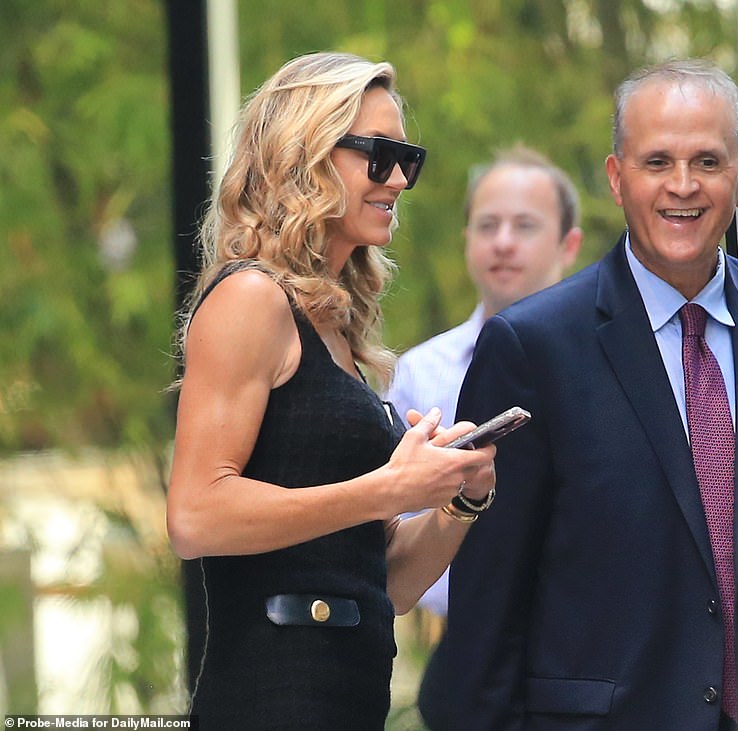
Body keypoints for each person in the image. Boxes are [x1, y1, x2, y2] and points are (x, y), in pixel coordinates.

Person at [446, 59, 738, 730]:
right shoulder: (532, 350)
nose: (683, 186)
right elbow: (485, 622)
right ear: (618, 179)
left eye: (707, 161)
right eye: (658, 162)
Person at [164, 52, 496, 731]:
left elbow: (390, 585)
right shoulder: (251, 299)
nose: (399, 178)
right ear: (305, 155)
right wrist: (389, 488)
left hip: (346, 697)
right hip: (267, 695)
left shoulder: (339, 325)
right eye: (378, 155)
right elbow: (195, 514)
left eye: (407, 157)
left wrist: (458, 499)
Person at [385, 145, 582, 728]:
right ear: (467, 239)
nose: (503, 242)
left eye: (525, 226)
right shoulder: (419, 373)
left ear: (569, 245)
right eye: (487, 225)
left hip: (587, 660)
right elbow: (388, 524)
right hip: (466, 662)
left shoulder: (605, 366)